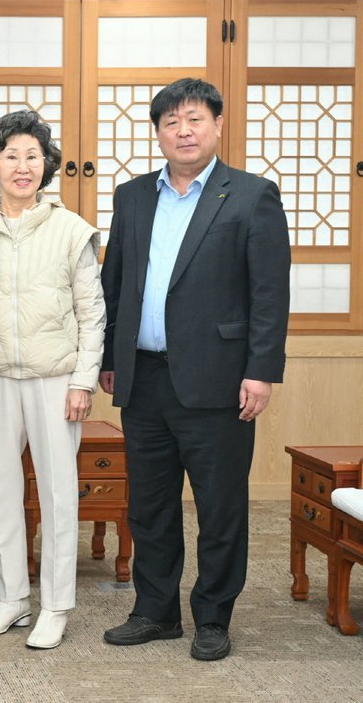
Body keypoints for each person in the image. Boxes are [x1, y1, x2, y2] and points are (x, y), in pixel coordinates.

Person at [100, 78, 290, 661]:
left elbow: (269, 293)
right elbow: (115, 282)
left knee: (220, 507)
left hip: (220, 378)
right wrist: (110, 358)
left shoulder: (252, 196)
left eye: (195, 119)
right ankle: (154, 611)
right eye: (171, 122)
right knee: (149, 506)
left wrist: (261, 370)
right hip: (144, 377)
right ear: (158, 132)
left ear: (217, 125)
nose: (183, 131)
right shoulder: (133, 196)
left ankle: (212, 616)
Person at [0, 109, 105, 650]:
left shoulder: (71, 230)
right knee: (2, 491)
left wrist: (83, 380)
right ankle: (12, 599)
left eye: (32, 156)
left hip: (55, 378)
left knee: (59, 493)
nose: (22, 166)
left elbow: (92, 313)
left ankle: (55, 605)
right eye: (10, 155)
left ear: (46, 164)